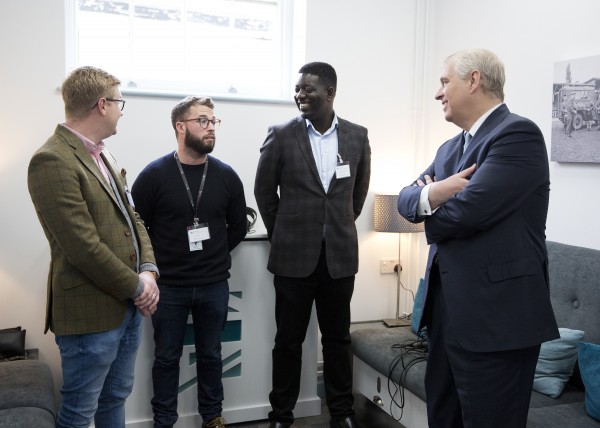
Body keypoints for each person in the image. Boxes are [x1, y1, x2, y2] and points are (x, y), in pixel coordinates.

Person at [397, 49, 559, 428]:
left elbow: (470, 211)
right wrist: (435, 194)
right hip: (447, 319)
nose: (438, 94)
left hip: (498, 321)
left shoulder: (517, 135)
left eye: (444, 82)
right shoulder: (449, 149)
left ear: (473, 81)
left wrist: (430, 217)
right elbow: (404, 201)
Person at [27, 66, 160, 428]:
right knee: (79, 413)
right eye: (120, 102)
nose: (121, 110)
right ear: (102, 104)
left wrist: (148, 270)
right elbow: (82, 246)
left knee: (114, 400)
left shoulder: (103, 154)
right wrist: (138, 287)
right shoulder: (52, 159)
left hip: (127, 306)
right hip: (91, 312)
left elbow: (134, 219)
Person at [254, 62, 371, 428]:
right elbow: (263, 191)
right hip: (292, 259)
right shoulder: (281, 134)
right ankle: (281, 416)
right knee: (288, 342)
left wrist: (337, 224)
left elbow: (359, 191)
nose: (300, 95)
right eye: (298, 89)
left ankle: (342, 414)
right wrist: (284, 231)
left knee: (338, 340)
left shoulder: (356, 135)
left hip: (339, 257)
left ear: (331, 93)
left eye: (308, 89)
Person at [131, 96, 247, 428]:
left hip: (213, 284)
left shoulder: (226, 176)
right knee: (166, 358)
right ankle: (164, 421)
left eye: (214, 121)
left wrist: (216, 256)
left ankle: (212, 416)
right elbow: (139, 230)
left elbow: (238, 226)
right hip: (167, 287)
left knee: (211, 355)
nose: (211, 128)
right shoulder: (154, 176)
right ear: (181, 127)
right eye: (203, 121)